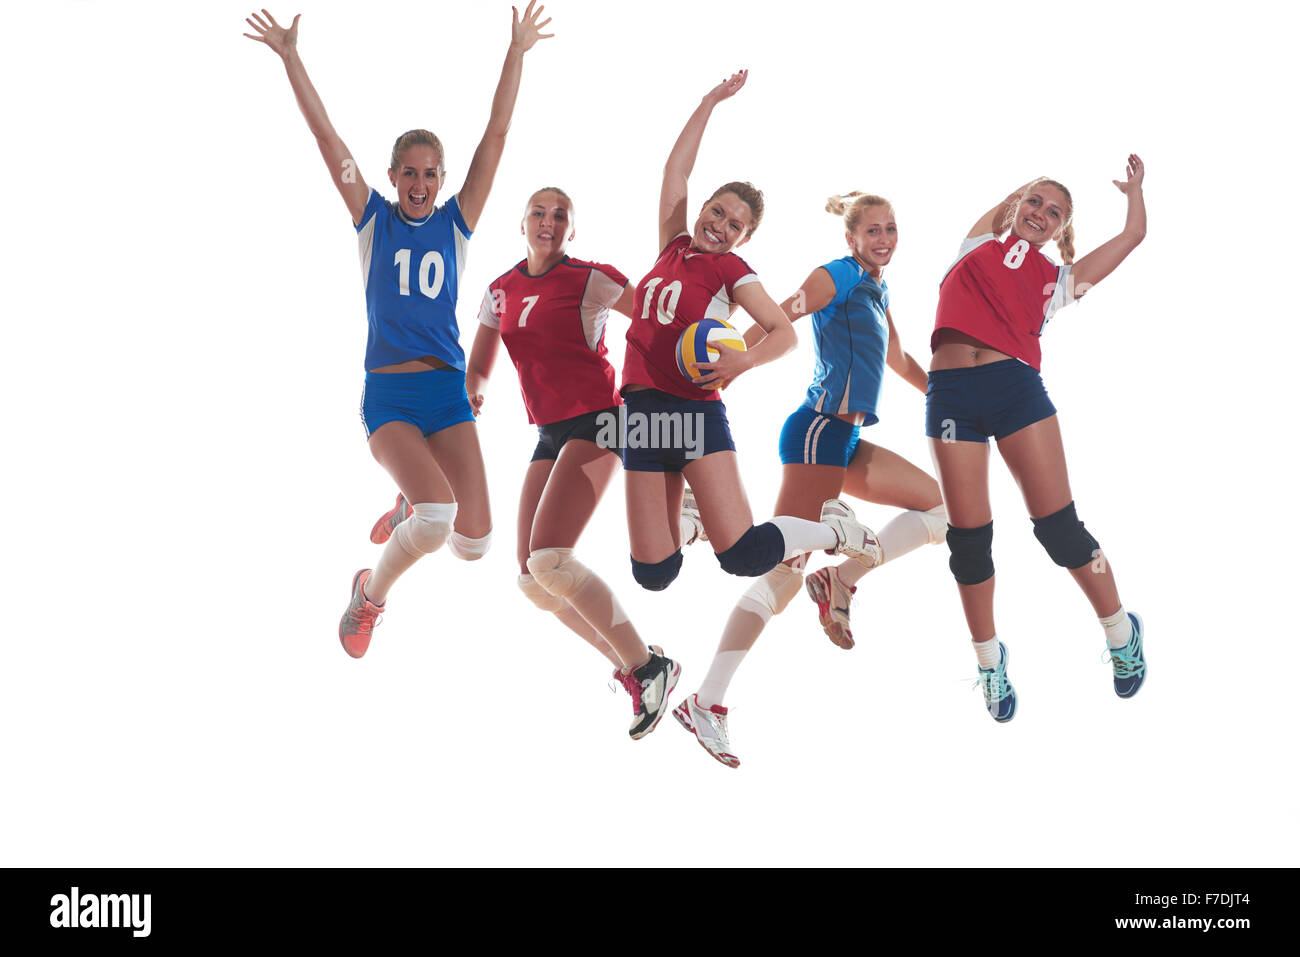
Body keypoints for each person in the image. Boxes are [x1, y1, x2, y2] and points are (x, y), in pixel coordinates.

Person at [243, 5, 552, 659]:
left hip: (445, 397)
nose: (418, 182)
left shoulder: (457, 223)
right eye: (407, 172)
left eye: (429, 173)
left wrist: (516, 51)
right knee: (438, 521)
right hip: (387, 399)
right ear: (392, 178)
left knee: (475, 545)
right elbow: (329, 140)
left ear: (442, 181)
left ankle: (409, 504)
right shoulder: (372, 219)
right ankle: (369, 596)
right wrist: (291, 57)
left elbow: (494, 136)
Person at [618, 70, 882, 760]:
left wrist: (739, 363)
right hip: (643, 412)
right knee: (653, 573)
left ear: (743, 236)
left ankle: (829, 526)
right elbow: (674, 171)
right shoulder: (672, 245)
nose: (719, 224)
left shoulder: (732, 270)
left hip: (697, 413)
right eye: (716, 212)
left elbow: (784, 332)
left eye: (734, 223)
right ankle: (696, 517)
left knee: (742, 556)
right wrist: (706, 103)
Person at [672, 192, 948, 767]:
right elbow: (781, 315)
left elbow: (898, 361)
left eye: (891, 229)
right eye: (872, 230)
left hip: (843, 441)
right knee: (779, 573)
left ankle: (840, 580)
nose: (884, 239)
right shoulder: (838, 275)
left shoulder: (877, 289)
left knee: (941, 511)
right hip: (818, 432)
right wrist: (724, 369)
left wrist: (951, 397)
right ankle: (707, 696)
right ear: (851, 238)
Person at [926, 157, 1148, 722]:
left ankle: (1121, 632)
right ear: (1018, 205)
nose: (1040, 215)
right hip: (951, 396)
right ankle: (988, 661)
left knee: (1059, 531)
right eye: (1035, 203)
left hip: (1014, 388)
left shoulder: (1058, 282)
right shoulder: (976, 244)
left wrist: (1135, 193)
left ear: (1060, 230)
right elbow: (1007, 208)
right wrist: (1029, 184)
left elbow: (1134, 235)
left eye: (1054, 214)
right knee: (968, 541)